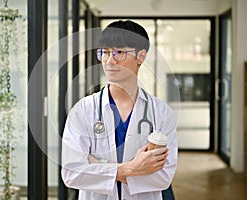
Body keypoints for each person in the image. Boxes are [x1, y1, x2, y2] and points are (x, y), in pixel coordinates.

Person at [61, 20, 178, 200]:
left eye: (119, 53)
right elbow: (72, 173)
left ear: (141, 56)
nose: (109, 60)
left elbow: (163, 177)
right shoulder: (83, 110)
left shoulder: (161, 113)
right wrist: (131, 168)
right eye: (105, 52)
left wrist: (97, 166)